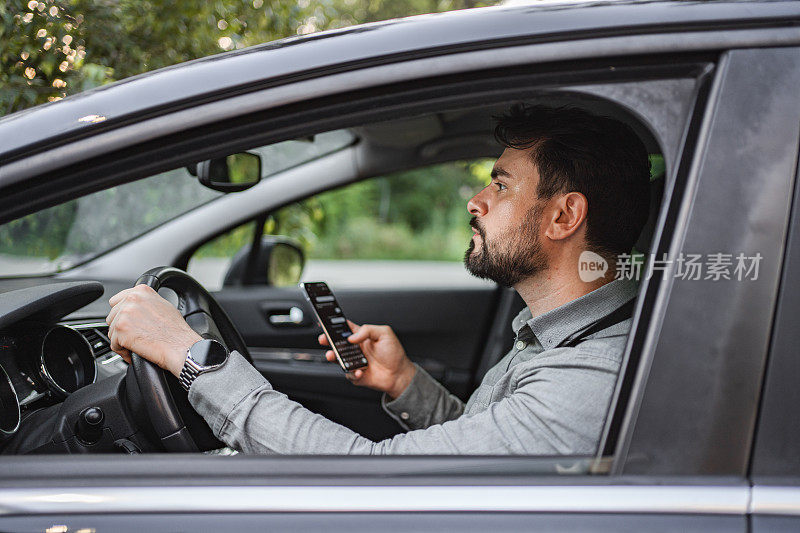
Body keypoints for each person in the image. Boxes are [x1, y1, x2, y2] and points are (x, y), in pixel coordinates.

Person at [105, 104, 651, 454]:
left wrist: (191, 358)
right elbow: (488, 449)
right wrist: (405, 383)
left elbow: (369, 474)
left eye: (501, 186)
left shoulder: (590, 375)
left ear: (563, 216)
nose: (476, 201)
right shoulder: (552, 333)